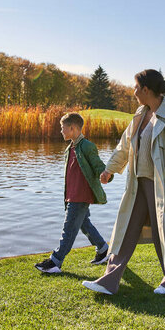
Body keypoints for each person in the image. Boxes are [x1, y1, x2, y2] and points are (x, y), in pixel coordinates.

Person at [82, 69, 165, 295]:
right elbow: (124, 146)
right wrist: (109, 170)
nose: (133, 92)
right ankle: (108, 282)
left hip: (160, 187)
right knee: (125, 231)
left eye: (136, 88)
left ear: (147, 89)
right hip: (137, 184)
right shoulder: (140, 114)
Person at [35, 112, 112, 273]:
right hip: (71, 195)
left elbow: (98, 166)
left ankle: (56, 261)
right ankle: (103, 249)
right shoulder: (70, 148)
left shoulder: (87, 146)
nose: (61, 131)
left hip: (81, 195)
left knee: (69, 228)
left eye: (63, 128)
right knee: (85, 225)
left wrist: (106, 175)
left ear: (72, 128)